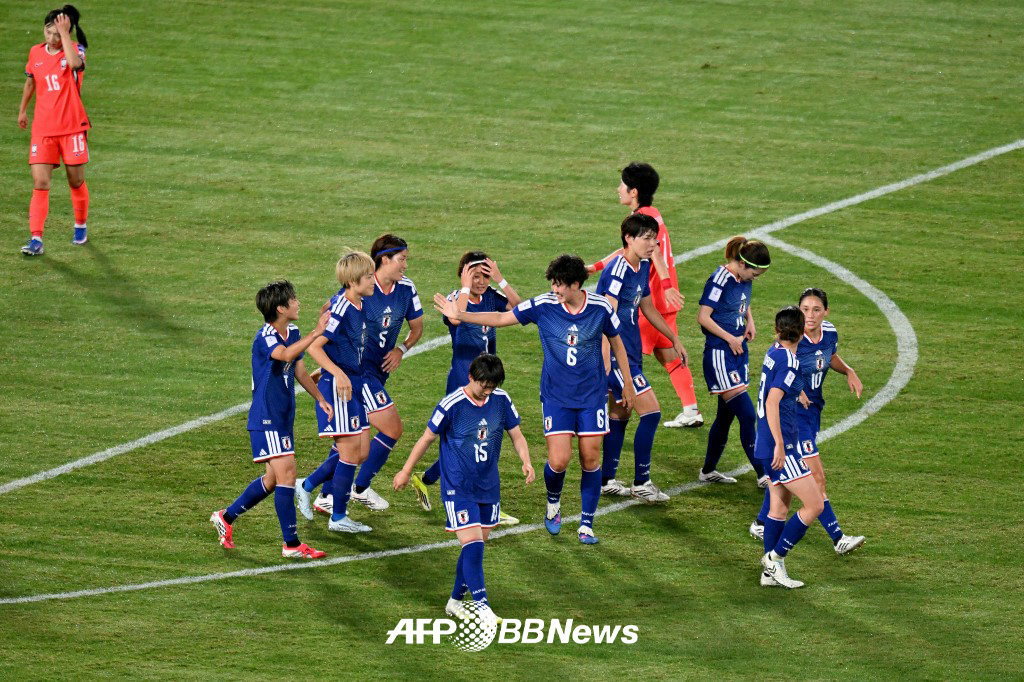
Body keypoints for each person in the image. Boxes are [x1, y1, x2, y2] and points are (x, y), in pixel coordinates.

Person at [435, 254, 635, 545]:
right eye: (552, 284)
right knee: (559, 459)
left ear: (576, 284)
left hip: (592, 395)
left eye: (560, 285)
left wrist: (626, 383)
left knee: (591, 457)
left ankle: (587, 525)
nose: (555, 290)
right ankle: (553, 502)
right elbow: (503, 318)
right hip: (556, 396)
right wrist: (461, 315)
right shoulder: (543, 305)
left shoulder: (600, 308)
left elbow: (617, 342)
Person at [393, 354, 534, 623]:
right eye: (484, 385)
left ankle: (456, 601)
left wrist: (526, 461)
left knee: (476, 545)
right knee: (473, 544)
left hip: (488, 485)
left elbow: (516, 434)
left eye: (492, 386)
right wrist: (406, 471)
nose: (487, 392)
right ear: (471, 377)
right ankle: (482, 606)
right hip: (458, 485)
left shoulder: (501, 400)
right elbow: (427, 438)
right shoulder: (452, 404)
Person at [295, 235, 423, 517]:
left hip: (375, 372)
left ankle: (319, 489)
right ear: (383, 260)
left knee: (354, 447)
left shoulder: (401, 289)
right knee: (389, 429)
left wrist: (401, 349)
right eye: (401, 259)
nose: (406, 264)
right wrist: (333, 369)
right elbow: (327, 334)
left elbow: (417, 328)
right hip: (358, 376)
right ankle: (355, 491)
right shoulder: (356, 292)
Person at [209, 281, 331, 559]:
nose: (298, 302)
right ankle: (291, 544)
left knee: (274, 479)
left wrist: (319, 398)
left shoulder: (294, 332)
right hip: (267, 417)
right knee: (288, 473)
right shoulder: (265, 336)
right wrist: (317, 332)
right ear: (280, 308)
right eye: (294, 299)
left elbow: (299, 369)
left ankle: (225, 517)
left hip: (283, 415)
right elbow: (285, 355)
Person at [749, 288, 866, 555]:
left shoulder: (828, 334)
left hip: (811, 413)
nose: (810, 315)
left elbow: (828, 356)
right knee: (815, 478)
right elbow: (777, 391)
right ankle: (838, 538)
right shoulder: (791, 347)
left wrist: (848, 370)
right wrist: (796, 389)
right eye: (805, 310)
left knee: (782, 482)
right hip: (793, 418)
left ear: (826, 312)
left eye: (816, 310)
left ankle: (760, 523)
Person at [588, 162, 703, 427]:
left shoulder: (642, 222)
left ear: (634, 191)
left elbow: (656, 253)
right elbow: (625, 252)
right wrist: (594, 267)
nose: (618, 189)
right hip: (656, 297)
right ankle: (691, 409)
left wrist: (665, 283)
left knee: (613, 356)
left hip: (646, 299)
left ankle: (597, 414)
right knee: (668, 354)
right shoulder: (652, 213)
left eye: (622, 185)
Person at [411, 251, 521, 521]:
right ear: (463, 275)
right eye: (476, 275)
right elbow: (456, 318)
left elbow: (519, 309)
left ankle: (426, 479)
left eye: (485, 275)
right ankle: (476, 498)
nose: (482, 281)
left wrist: (501, 279)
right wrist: (464, 285)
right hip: (464, 381)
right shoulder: (454, 298)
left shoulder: (492, 296)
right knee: (463, 442)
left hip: (488, 382)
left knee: (481, 440)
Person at [597, 214, 689, 501]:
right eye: (646, 238)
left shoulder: (643, 265)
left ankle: (606, 480)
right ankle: (641, 481)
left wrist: (673, 338)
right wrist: (606, 366)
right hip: (617, 358)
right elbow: (603, 320)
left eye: (655, 238)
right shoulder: (617, 272)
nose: (653, 244)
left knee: (620, 415)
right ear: (629, 238)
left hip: (631, 355)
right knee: (651, 412)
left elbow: (647, 307)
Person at [754, 307, 825, 588]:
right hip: (779, 445)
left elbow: (777, 386)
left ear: (777, 330)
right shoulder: (791, 362)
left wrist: (799, 391)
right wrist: (781, 445)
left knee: (778, 509)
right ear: (802, 332)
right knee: (815, 504)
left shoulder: (775, 351)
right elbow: (773, 401)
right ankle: (774, 558)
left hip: (764, 442)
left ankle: (768, 575)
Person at [305, 251, 376, 533]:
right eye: (369, 276)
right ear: (353, 280)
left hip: (353, 383)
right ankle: (338, 516)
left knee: (360, 452)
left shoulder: (357, 303)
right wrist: (335, 372)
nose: (373, 281)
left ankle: (307, 485)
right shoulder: (344, 307)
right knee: (349, 453)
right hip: (340, 387)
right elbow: (314, 346)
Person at [696, 236, 771, 486]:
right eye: (754, 274)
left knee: (726, 417)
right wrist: (730, 338)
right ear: (741, 264)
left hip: (737, 351)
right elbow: (703, 317)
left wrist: (749, 320)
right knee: (748, 415)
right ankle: (763, 474)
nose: (755, 279)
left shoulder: (742, 277)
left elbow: (743, 301)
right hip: (720, 353)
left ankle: (708, 470)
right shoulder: (720, 279)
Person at [18, 5, 91, 255]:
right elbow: (31, 81)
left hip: (72, 128)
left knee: (76, 180)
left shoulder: (75, 50)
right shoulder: (35, 52)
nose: (52, 38)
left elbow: (74, 64)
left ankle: (80, 225)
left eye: (58, 34)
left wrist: (66, 34)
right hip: (43, 129)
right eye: (49, 32)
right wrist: (22, 109)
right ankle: (36, 239)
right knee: (40, 182)